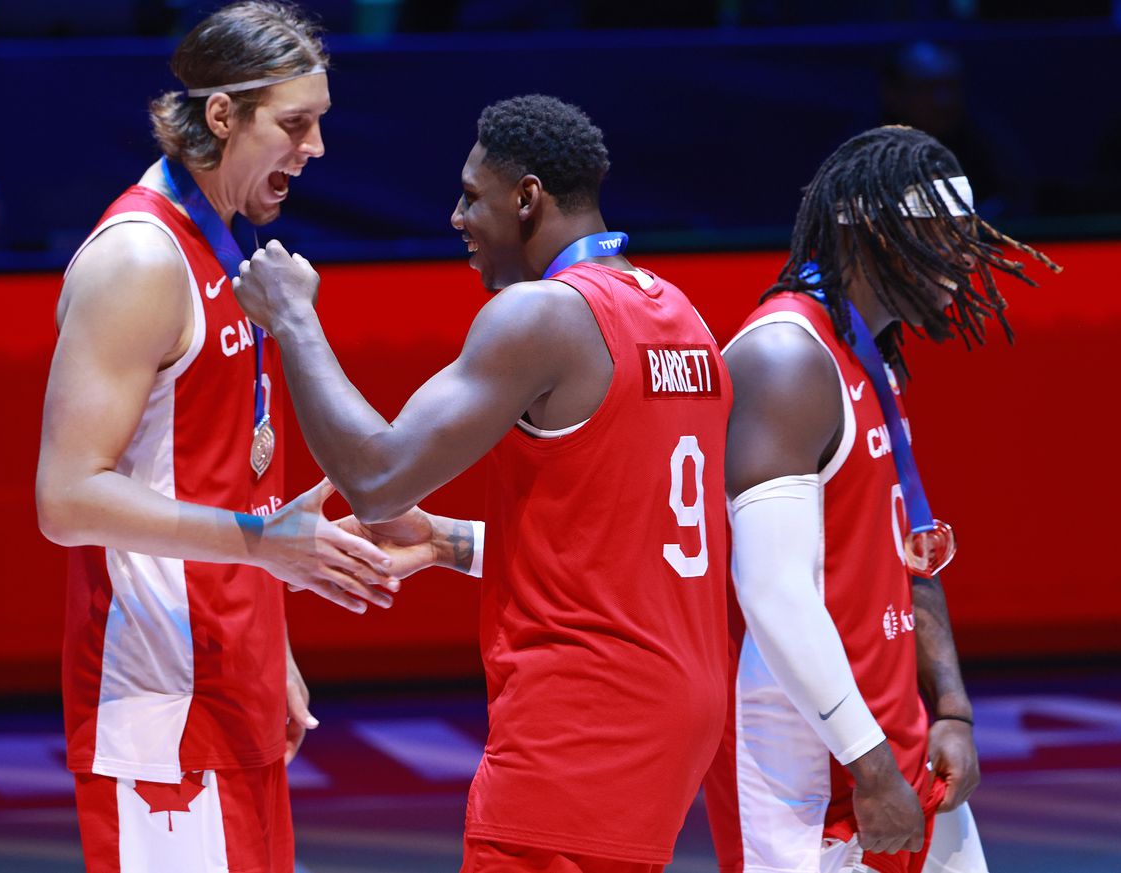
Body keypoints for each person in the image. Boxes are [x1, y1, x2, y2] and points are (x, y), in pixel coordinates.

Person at [233, 94, 733, 872]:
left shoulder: (544, 316)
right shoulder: (681, 315)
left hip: (580, 718)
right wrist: (443, 540)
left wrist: (293, 319)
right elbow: (625, 538)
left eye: (473, 196)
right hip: (674, 708)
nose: (457, 217)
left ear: (526, 198)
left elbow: (376, 477)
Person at [35, 3, 473, 870]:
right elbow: (66, 497)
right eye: (295, 124)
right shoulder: (139, 259)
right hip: (162, 708)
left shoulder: (225, 245)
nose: (314, 150)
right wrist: (262, 544)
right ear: (224, 115)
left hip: (229, 685)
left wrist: (267, 640)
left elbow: (219, 480)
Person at [703, 125, 1060, 873]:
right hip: (807, 768)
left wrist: (953, 706)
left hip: (896, 738)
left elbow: (912, 551)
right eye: (942, 235)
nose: (964, 257)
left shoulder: (872, 357)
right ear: (868, 228)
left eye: (969, 234)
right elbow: (774, 594)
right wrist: (870, 768)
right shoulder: (785, 358)